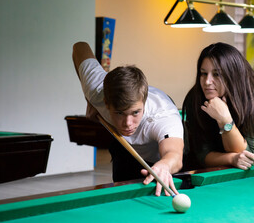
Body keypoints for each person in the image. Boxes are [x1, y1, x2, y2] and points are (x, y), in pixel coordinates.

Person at [72, 42, 184, 196]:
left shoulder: (162, 116)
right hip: (125, 150)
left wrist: (164, 165)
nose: (127, 123)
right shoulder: (97, 92)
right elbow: (80, 47)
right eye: (119, 113)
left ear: (143, 104)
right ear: (106, 103)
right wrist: (89, 100)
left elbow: (175, 155)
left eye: (135, 113)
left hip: (160, 159)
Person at [182, 42, 254, 171]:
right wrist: (232, 158)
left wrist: (224, 119)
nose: (207, 82)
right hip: (225, 160)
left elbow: (249, 155)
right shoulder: (195, 99)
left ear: (233, 75)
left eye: (217, 74)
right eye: (203, 73)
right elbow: (202, 154)